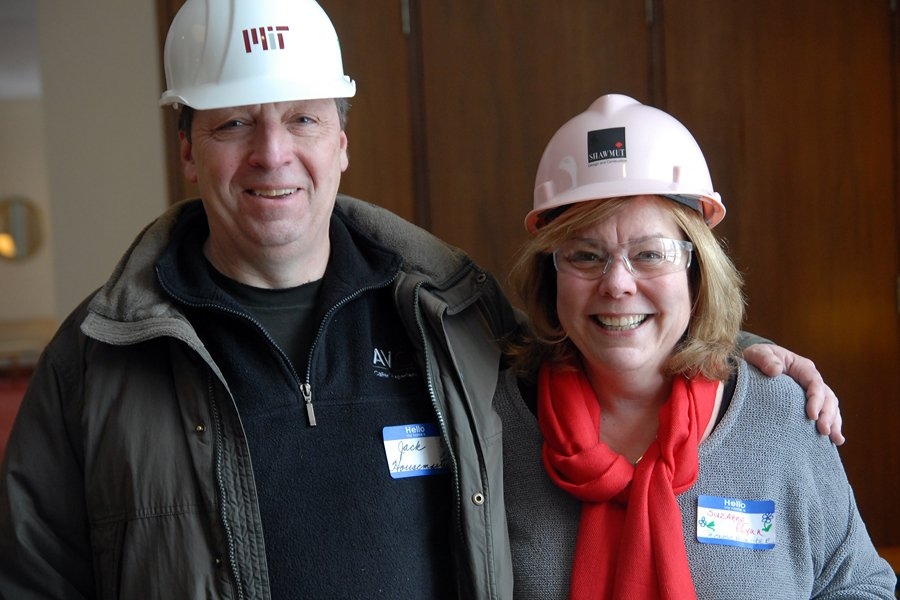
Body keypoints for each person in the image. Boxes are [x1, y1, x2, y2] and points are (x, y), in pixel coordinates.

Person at [0, 1, 842, 597]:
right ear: (186, 147)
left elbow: (616, 330)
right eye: (231, 125)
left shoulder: (449, 314)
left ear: (342, 140)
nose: (272, 154)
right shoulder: (98, 358)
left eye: (302, 119)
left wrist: (738, 353)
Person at [494, 93, 896, 599]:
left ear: (696, 271)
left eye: (649, 254)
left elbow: (859, 584)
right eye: (586, 255)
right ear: (550, 274)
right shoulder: (493, 429)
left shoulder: (781, 418)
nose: (617, 284)